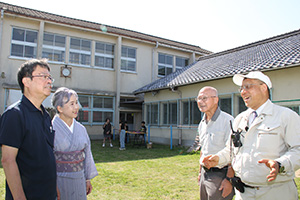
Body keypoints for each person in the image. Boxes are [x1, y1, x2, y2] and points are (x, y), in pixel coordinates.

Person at [203, 71, 300, 200]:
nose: (243, 92)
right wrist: (218, 159)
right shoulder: (239, 119)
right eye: (241, 88)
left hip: (276, 192)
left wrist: (280, 164)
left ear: (263, 87)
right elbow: (231, 150)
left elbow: (298, 149)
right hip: (244, 193)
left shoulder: (285, 116)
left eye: (248, 87)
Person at [0, 59, 57, 199]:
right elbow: (8, 160)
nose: (49, 81)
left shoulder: (46, 116)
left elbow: (47, 155)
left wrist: (54, 188)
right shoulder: (14, 114)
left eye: (50, 77)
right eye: (43, 76)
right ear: (26, 81)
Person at [52, 87, 98, 200]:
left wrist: (87, 179)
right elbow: (46, 159)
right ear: (60, 108)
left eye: (76, 103)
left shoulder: (81, 129)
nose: (77, 107)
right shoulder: (50, 129)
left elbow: (87, 154)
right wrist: (51, 184)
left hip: (79, 178)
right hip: (58, 180)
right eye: (71, 104)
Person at [196, 86, 235, 200]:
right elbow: (203, 149)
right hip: (205, 173)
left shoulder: (228, 121)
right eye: (198, 98)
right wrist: (200, 173)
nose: (200, 102)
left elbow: (234, 152)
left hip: (221, 175)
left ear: (216, 99)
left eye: (204, 98)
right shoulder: (202, 123)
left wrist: (229, 179)